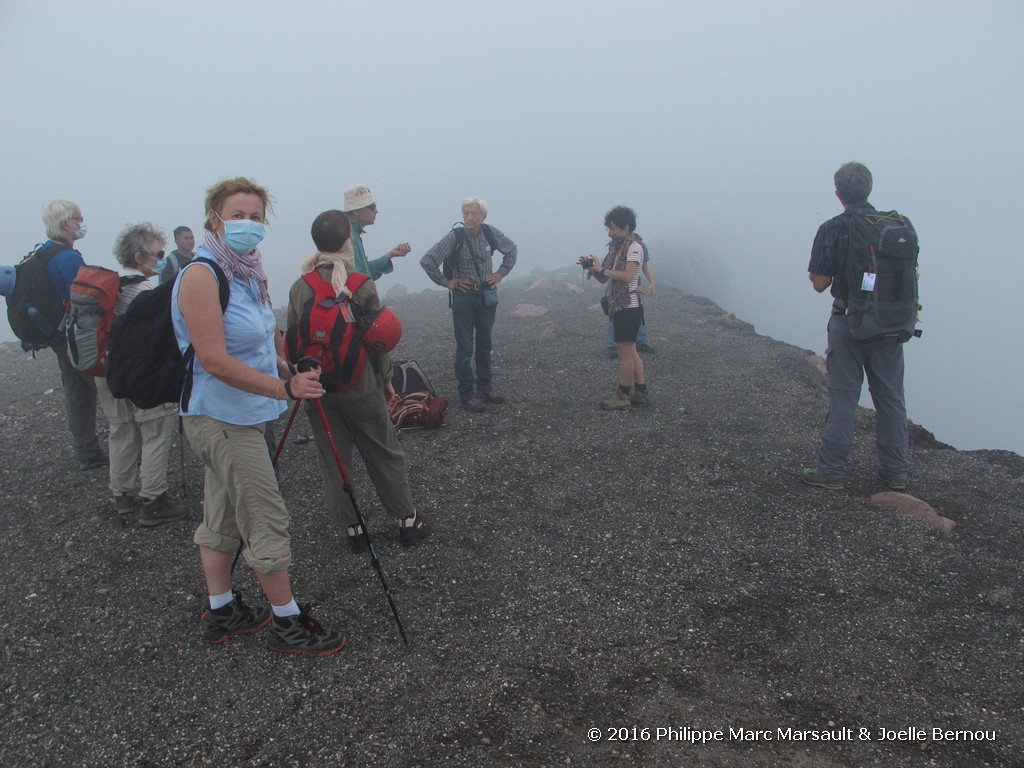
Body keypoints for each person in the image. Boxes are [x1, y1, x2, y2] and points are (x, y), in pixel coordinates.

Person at [172, 177, 346, 656]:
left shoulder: (247, 270)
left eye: (255, 216)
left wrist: (288, 369)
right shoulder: (203, 275)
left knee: (224, 512)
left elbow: (259, 341)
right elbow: (212, 359)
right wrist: (282, 388)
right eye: (238, 215)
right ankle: (287, 622)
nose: (247, 224)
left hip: (248, 413)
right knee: (264, 514)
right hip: (220, 417)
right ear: (215, 219)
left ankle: (222, 608)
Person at [287, 210, 429, 551]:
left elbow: (293, 338)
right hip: (360, 384)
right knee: (383, 450)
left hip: (318, 387)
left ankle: (354, 531)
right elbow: (377, 340)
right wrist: (387, 382)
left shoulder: (299, 287)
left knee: (334, 456)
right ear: (347, 241)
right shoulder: (360, 284)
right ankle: (406, 521)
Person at [801, 162, 910, 491]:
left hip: (849, 322)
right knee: (890, 397)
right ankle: (895, 472)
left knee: (844, 397)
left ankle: (831, 472)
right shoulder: (898, 225)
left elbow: (820, 283)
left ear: (838, 193)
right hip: (891, 322)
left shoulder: (832, 228)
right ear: (869, 188)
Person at [95, 223, 187, 525]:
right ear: (139, 256)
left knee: (120, 429)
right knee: (155, 431)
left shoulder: (114, 286)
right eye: (158, 253)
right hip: (143, 371)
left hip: (108, 368)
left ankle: (122, 496)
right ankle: (154, 500)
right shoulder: (148, 290)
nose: (162, 258)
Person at [420, 196, 518, 412]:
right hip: (463, 298)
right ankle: (467, 392)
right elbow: (427, 260)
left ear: (483, 216)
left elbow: (511, 250)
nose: (469, 217)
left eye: (474, 213)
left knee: (485, 344)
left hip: (486, 295)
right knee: (465, 347)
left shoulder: (490, 233)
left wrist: (500, 274)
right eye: (466, 213)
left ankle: (485, 387)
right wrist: (448, 283)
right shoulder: (455, 236)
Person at [39, 200, 108, 470]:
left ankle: (87, 450)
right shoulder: (69, 257)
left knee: (77, 390)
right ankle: (119, 446)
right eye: (78, 219)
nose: (82, 223)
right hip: (75, 333)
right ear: (65, 223)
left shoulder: (44, 252)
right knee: (102, 384)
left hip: (55, 333)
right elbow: (84, 296)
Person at [578, 205, 648, 410]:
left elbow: (627, 276)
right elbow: (603, 279)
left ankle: (623, 395)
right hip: (621, 306)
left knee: (625, 354)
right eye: (609, 229)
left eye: (614, 228)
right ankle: (641, 392)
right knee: (632, 352)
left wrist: (602, 269)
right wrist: (594, 267)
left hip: (628, 306)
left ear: (626, 227)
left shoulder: (634, 247)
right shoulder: (617, 248)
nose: (610, 232)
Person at [341, 184, 411, 281]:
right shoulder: (348, 235)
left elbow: (365, 271)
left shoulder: (352, 232)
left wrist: (390, 255)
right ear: (355, 211)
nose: (376, 211)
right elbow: (358, 278)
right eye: (372, 207)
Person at [605, 239, 656, 357]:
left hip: (629, 283)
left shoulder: (638, 246)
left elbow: (643, 265)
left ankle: (637, 342)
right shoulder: (615, 243)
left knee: (632, 312)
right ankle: (614, 345)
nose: (610, 232)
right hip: (618, 284)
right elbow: (610, 265)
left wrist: (652, 282)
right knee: (615, 312)